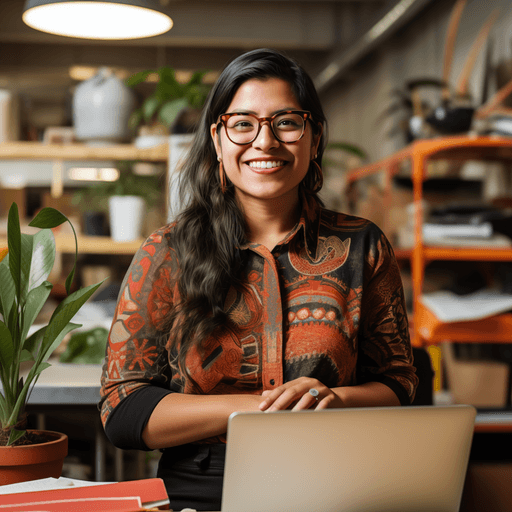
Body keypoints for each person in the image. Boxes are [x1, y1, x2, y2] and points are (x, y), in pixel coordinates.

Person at [99, 48, 418, 511]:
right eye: (243, 123)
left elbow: (399, 383)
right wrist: (256, 411)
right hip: (202, 494)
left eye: (286, 121)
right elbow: (122, 407)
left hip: (337, 487)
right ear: (218, 138)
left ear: (315, 134)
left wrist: (334, 399)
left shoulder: (362, 246)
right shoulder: (168, 252)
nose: (264, 142)